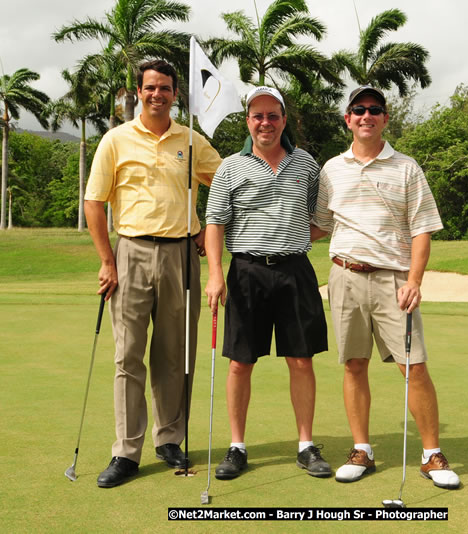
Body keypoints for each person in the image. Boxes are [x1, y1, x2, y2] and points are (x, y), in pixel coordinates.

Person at [311, 85, 460, 489]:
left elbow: (423, 230)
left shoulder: (407, 168)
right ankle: (362, 449)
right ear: (348, 119)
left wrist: (414, 280)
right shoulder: (331, 169)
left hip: (394, 280)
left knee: (413, 367)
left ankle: (432, 454)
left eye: (374, 109)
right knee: (354, 364)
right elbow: (321, 224)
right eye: (358, 109)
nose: (366, 115)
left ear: (385, 118)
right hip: (344, 276)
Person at [83, 59, 222, 488]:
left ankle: (169, 439)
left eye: (165, 88)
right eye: (150, 88)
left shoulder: (192, 140)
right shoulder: (116, 140)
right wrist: (108, 261)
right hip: (131, 253)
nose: (157, 94)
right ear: (137, 92)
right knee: (128, 356)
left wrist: (205, 229)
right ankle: (126, 451)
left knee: (174, 355)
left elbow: (224, 184)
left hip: (181, 255)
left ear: (176, 94)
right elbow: (94, 203)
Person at [204, 86, 330, 480]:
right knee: (241, 362)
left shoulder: (307, 164)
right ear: (248, 121)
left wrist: (290, 238)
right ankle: (237, 446)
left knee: (301, 359)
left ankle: (306, 445)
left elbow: (320, 220)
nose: (265, 123)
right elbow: (214, 223)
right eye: (258, 116)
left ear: (283, 120)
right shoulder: (229, 167)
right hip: (245, 273)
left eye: (273, 115)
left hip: (295, 271)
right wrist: (214, 274)